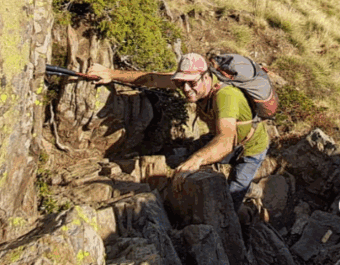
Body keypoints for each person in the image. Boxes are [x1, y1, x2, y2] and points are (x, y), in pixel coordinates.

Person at [87, 53, 270, 210]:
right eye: (181, 83)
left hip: (251, 149)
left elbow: (226, 140)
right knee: (177, 159)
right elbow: (151, 78)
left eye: (191, 83)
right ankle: (242, 186)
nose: (186, 89)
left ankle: (248, 197)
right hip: (223, 138)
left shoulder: (226, 96)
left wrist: (197, 160)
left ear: (206, 77)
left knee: (230, 201)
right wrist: (110, 73)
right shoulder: (190, 81)